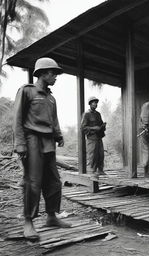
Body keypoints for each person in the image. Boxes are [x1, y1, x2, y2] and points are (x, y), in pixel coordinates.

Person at [13, 57, 70, 241]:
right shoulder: (27, 91)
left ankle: (52, 217)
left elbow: (54, 120)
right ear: (43, 73)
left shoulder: (51, 98)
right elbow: (18, 119)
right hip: (32, 140)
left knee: (54, 181)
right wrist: (20, 144)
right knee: (33, 181)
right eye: (53, 73)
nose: (55, 77)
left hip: (48, 142)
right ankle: (28, 221)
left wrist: (59, 135)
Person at [81, 96, 106, 178]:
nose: (95, 104)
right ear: (90, 104)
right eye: (94, 103)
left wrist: (103, 126)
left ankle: (100, 170)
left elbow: (101, 124)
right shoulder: (86, 114)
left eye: (96, 103)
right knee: (92, 155)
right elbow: (83, 127)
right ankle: (92, 171)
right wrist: (93, 128)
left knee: (100, 154)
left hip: (99, 137)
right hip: (91, 138)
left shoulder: (98, 114)